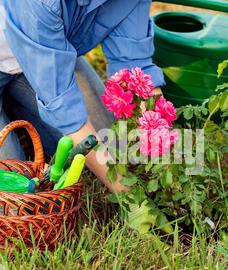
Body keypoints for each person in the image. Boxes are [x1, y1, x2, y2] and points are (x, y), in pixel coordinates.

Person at [0, 0, 164, 192]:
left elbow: (135, 68)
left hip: (51, 58)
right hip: (18, 52)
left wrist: (163, 143)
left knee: (112, 145)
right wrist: (130, 197)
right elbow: (67, 113)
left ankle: (20, 108)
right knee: (14, 189)